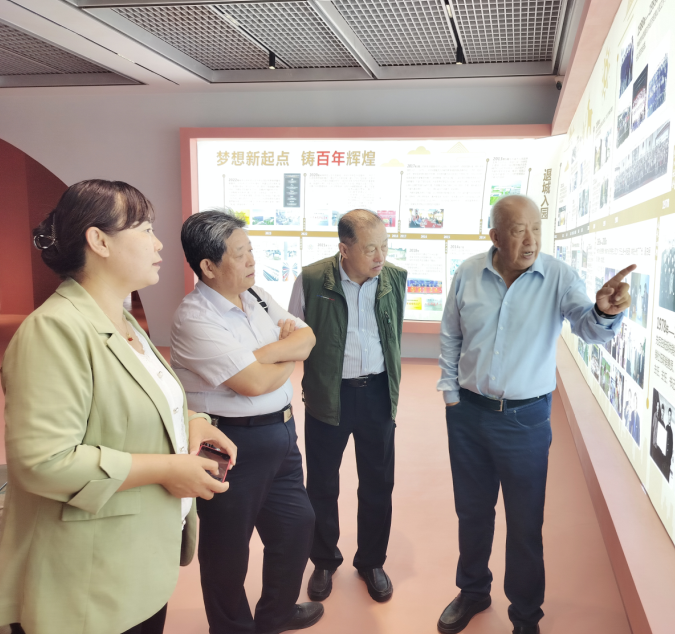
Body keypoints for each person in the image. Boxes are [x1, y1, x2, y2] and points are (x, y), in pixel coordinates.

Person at [0, 180, 235, 634]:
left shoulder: (122, 319)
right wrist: (169, 468)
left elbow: (135, 401)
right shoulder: (54, 330)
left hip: (136, 562)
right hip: (86, 584)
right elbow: (43, 462)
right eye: (145, 229)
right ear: (99, 241)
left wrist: (193, 421)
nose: (159, 243)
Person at [436, 195, 635, 634]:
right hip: (468, 415)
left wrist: (604, 311)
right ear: (495, 236)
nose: (530, 240)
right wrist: (451, 395)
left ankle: (525, 615)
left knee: (525, 522)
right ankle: (473, 590)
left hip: (524, 420)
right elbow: (451, 333)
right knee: (472, 512)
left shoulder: (558, 277)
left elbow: (588, 327)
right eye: (518, 230)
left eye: (537, 229)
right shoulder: (468, 272)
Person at [170, 211, 321, 634]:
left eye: (251, 249)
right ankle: (232, 628)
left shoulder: (256, 295)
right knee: (227, 550)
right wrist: (287, 354)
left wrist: (267, 356)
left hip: (282, 434)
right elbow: (253, 383)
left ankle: (276, 614)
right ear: (208, 266)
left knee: (296, 526)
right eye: (240, 253)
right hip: (228, 441)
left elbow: (308, 337)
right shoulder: (195, 317)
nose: (252, 260)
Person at [288, 209, 407, 604]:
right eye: (370, 249)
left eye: (385, 246)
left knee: (378, 482)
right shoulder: (311, 280)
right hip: (328, 394)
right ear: (344, 248)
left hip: (377, 394)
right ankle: (324, 560)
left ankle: (372, 561)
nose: (380, 256)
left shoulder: (394, 279)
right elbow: (292, 335)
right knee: (322, 482)